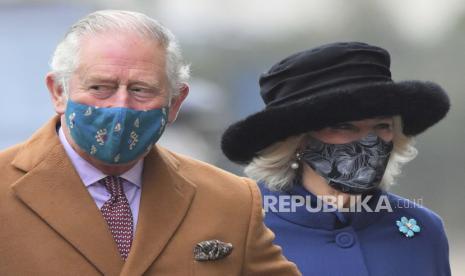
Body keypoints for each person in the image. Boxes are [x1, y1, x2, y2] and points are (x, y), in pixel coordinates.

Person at [0, 10, 300, 276]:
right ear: (58, 92)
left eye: (141, 89)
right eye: (99, 87)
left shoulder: (230, 201)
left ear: (175, 103)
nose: (121, 106)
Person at [221, 42, 451, 276]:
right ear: (298, 141)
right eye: (344, 126)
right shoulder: (242, 230)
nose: (370, 141)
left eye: (382, 125)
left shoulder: (423, 229)